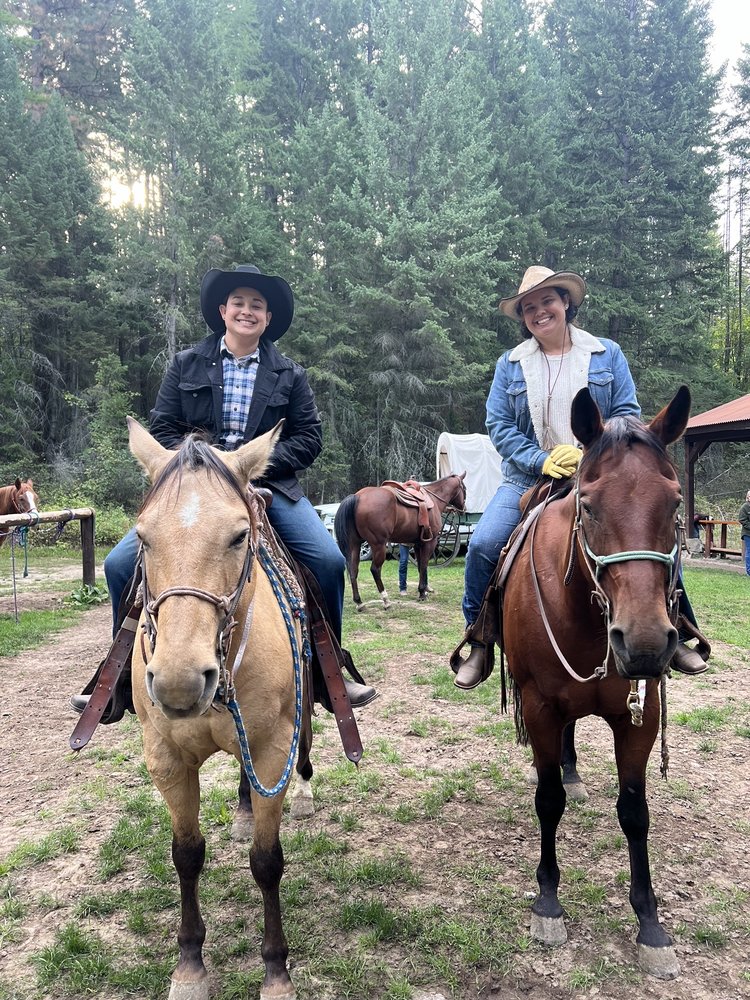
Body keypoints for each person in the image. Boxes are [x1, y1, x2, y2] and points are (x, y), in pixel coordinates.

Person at [72, 263, 376, 713]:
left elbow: (309, 438)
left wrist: (252, 466)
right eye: (239, 302)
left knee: (328, 562)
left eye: (257, 305)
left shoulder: (290, 374)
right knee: (119, 565)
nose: (247, 311)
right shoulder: (186, 364)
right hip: (194, 490)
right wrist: (208, 467)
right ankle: (119, 677)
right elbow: (164, 426)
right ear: (223, 310)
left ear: (267, 319)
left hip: (267, 485)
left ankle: (323, 674)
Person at [452, 265, 709, 690]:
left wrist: (594, 450)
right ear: (523, 318)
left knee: (647, 538)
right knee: (483, 544)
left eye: (547, 301)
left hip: (602, 476)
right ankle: (479, 638)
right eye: (529, 308)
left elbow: (626, 413)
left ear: (566, 302)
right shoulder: (509, 365)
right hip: (527, 478)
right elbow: (499, 424)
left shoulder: (606, 353)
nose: (539, 312)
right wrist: (541, 460)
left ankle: (679, 628)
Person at [739, 489, 750, 576]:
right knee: (749, 551)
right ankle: (749, 571)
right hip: (747, 533)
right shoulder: (744, 507)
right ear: (748, 497)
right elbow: (742, 520)